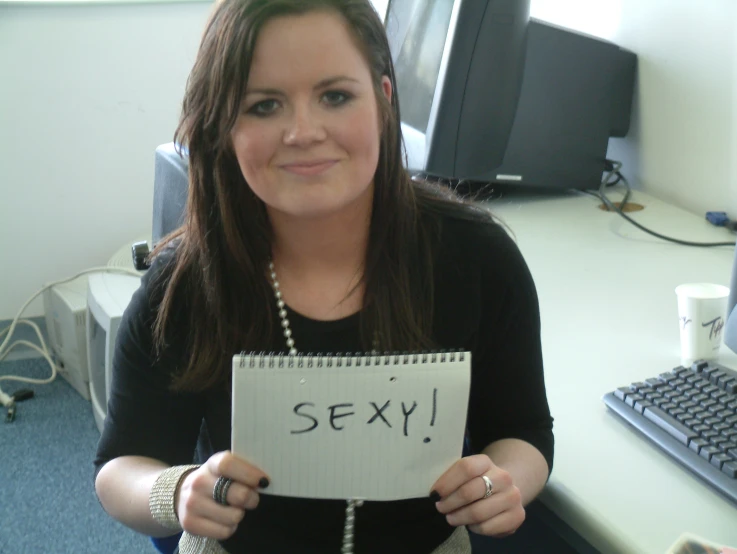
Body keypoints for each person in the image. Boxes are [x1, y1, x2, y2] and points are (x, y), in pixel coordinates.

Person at [93, 0, 554, 552]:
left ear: (383, 99)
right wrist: (175, 491)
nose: (303, 132)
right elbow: (119, 466)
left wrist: (504, 483)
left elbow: (524, 433)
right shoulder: (187, 283)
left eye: (335, 96)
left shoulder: (476, 258)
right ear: (225, 126)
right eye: (264, 105)